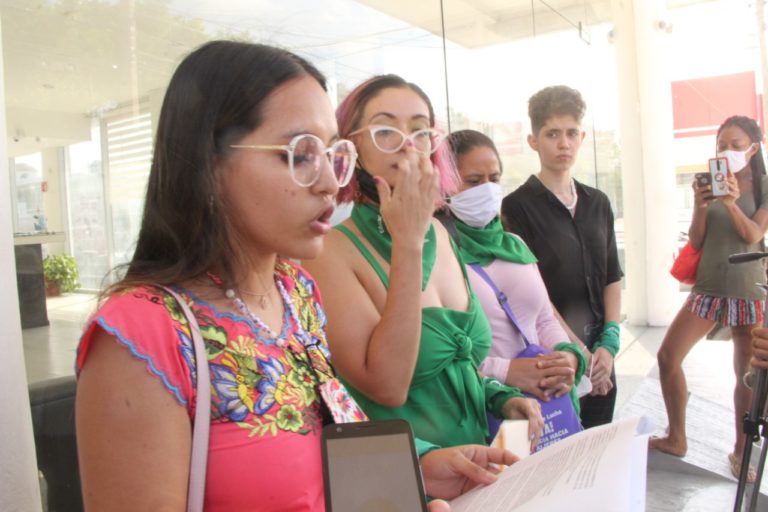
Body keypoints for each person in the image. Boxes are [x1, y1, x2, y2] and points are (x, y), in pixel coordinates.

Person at [75, 41, 520, 511]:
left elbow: (318, 459)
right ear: (209, 163)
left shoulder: (295, 293)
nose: (330, 181)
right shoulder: (141, 336)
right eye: (301, 153)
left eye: (332, 153)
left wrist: (418, 468)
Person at [303, 74, 544, 451]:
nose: (407, 148)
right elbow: (387, 386)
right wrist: (408, 242)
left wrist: (499, 397)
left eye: (419, 132)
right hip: (407, 483)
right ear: (350, 149)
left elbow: (458, 367)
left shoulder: (442, 234)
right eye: (385, 131)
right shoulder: (330, 253)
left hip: (480, 470)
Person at [649, 116, 767, 481]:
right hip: (709, 287)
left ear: (753, 147)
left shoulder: (763, 188)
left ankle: (740, 451)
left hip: (748, 291)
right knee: (668, 355)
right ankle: (677, 437)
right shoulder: (708, 184)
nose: (727, 151)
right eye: (721, 145)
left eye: (735, 144)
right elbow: (697, 241)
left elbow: (753, 234)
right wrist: (702, 206)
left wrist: (731, 203)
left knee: (745, 375)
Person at [501, 85, 623, 429]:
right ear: (533, 141)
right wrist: (580, 353)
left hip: (603, 358)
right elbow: (532, 292)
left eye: (571, 133)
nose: (563, 143)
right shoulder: (517, 207)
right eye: (552, 133)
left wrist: (609, 343)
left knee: (600, 452)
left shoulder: (597, 202)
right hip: (554, 359)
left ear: (582, 137)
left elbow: (612, 276)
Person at [443, 129, 587, 412]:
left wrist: (566, 356)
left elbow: (544, 319)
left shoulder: (515, 245)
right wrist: (506, 371)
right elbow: (443, 355)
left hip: (549, 403)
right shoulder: (439, 257)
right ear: (445, 186)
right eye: (474, 181)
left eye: (494, 179)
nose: (487, 189)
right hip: (485, 409)